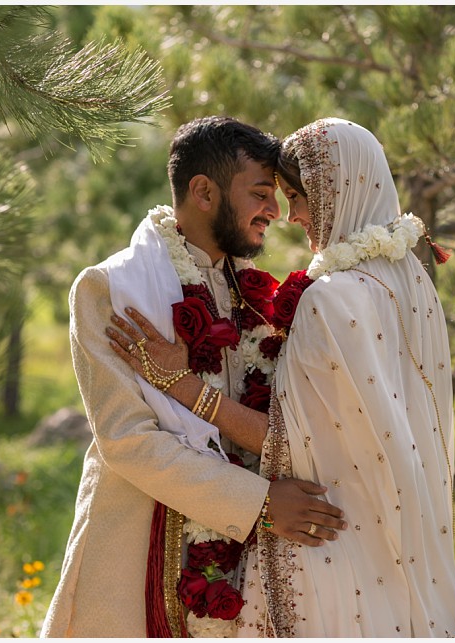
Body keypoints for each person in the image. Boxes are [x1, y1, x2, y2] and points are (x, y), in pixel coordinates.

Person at [109, 118, 455, 637]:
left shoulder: (329, 297)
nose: (289, 214)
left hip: (319, 545)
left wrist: (182, 385)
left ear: (337, 191)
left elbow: (292, 445)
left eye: (296, 196)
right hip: (386, 545)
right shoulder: (413, 281)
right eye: (271, 194)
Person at [41, 116, 347, 638]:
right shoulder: (111, 289)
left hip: (249, 568)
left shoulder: (259, 295)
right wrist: (261, 506)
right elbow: (128, 441)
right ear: (203, 191)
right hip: (139, 556)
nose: (274, 211)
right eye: (258, 194)